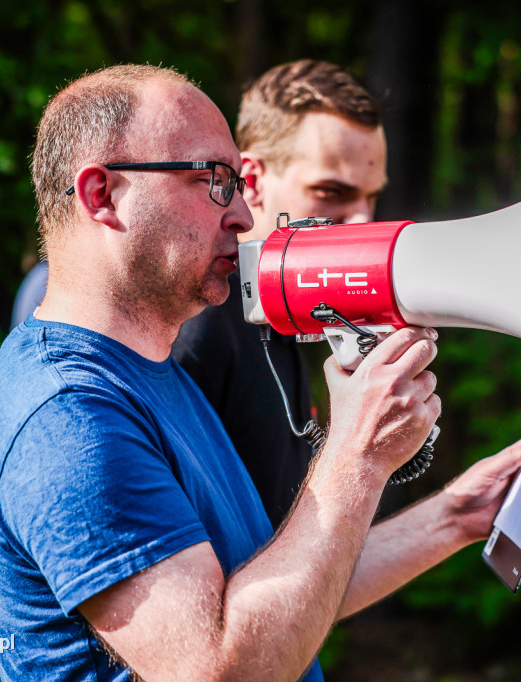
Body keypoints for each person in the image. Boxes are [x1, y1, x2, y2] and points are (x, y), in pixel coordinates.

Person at [0, 64, 521, 681]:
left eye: (236, 183)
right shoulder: (70, 420)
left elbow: (282, 582)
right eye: (214, 181)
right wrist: (358, 454)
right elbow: (218, 670)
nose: (241, 212)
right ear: (102, 195)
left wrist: (455, 516)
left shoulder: (151, 369)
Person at [172, 59, 388, 528]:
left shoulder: (284, 307)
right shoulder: (197, 325)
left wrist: (457, 515)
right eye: (331, 191)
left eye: (371, 197)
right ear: (250, 179)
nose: (363, 223)